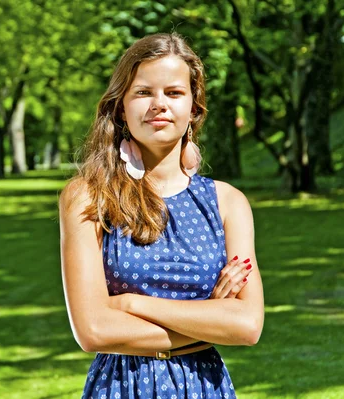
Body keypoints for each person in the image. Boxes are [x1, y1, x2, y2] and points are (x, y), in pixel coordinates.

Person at [58, 33, 264, 399]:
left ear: (194, 108)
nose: (159, 104)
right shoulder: (88, 197)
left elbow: (247, 325)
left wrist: (130, 305)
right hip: (121, 386)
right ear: (121, 106)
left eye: (173, 92)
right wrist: (212, 315)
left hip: (204, 387)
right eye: (143, 92)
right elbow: (93, 331)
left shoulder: (228, 203)